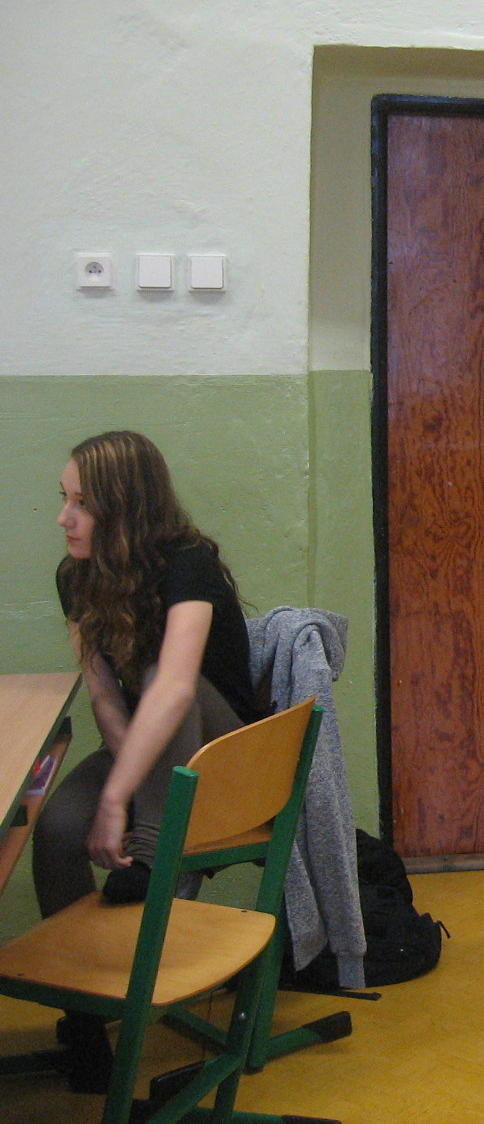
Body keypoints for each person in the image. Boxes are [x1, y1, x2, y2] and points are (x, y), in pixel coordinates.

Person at [37, 430, 263, 1088]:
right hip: (153, 753)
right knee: (57, 828)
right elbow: (106, 697)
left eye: (82, 503)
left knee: (168, 682)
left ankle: (153, 849)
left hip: (224, 757)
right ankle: (81, 1015)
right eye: (64, 499)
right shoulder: (74, 577)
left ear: (125, 507)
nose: (64, 517)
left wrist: (121, 803)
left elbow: (175, 689)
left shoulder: (188, 562)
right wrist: (123, 785)